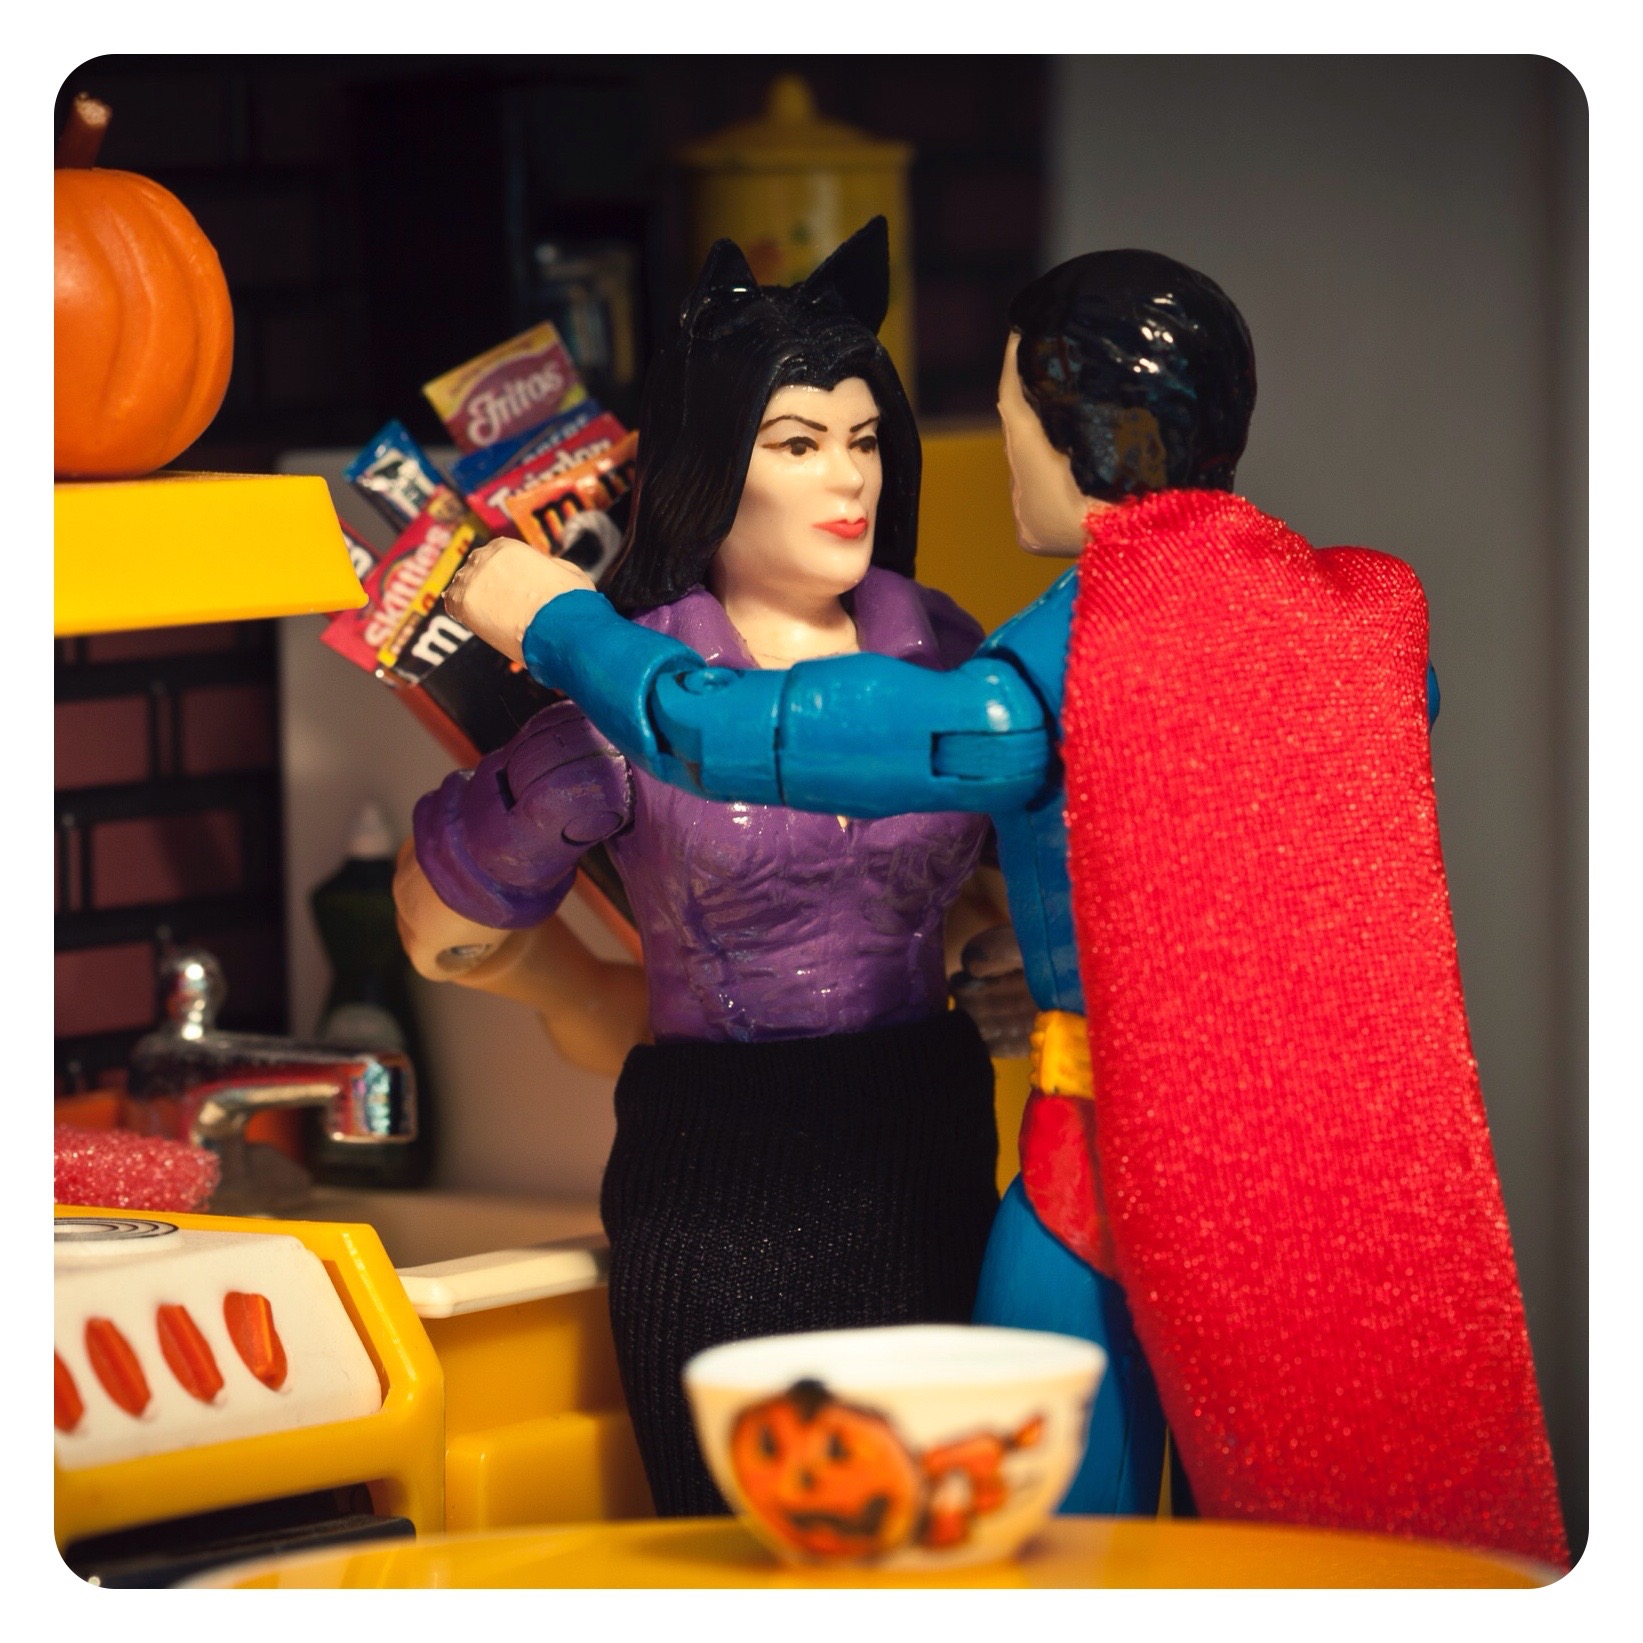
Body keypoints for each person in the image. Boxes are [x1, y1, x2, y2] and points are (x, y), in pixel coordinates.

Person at [446, 248, 1571, 1572]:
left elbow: (728, 734)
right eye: (804, 443)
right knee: (1294, 1524)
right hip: (1327, 1150)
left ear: (1064, 429)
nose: (982, 463)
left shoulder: (1042, 678)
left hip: (1099, 1152)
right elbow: (1221, 842)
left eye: (1006, 419)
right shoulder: (1353, 622)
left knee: (1041, 1530)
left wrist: (557, 621)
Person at [409, 219, 1006, 1519]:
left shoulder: (941, 649)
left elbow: (1004, 855)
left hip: (930, 1143)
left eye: (862, 439)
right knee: (744, 1547)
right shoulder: (628, 690)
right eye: (797, 443)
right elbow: (439, 918)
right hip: (723, 1177)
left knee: (940, 1542)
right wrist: (571, 987)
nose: (845, 477)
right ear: (715, 460)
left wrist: (1006, 947)